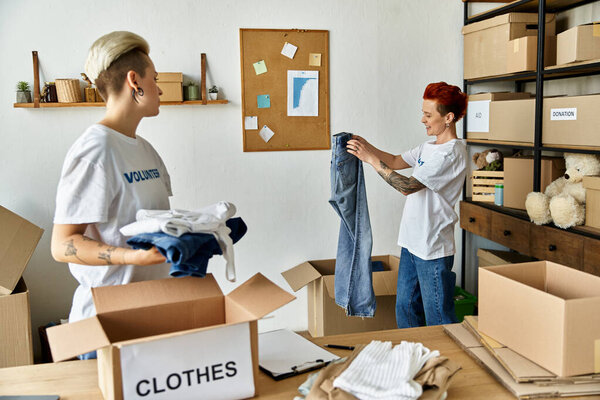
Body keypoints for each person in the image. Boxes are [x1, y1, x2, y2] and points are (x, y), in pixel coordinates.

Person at [50, 31, 172, 358]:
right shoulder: (94, 152)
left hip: (150, 316)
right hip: (104, 326)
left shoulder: (145, 150)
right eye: (154, 79)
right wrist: (132, 256)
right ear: (135, 81)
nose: (159, 88)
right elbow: (62, 245)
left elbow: (151, 224)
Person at [346, 82, 468, 328]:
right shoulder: (428, 147)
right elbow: (393, 160)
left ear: (449, 118)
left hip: (433, 248)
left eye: (428, 114)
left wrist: (370, 160)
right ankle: (414, 359)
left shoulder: (451, 153)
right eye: (423, 112)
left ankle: (449, 362)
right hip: (412, 243)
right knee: (406, 309)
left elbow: (407, 186)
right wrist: (365, 145)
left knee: (439, 319)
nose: (422, 119)